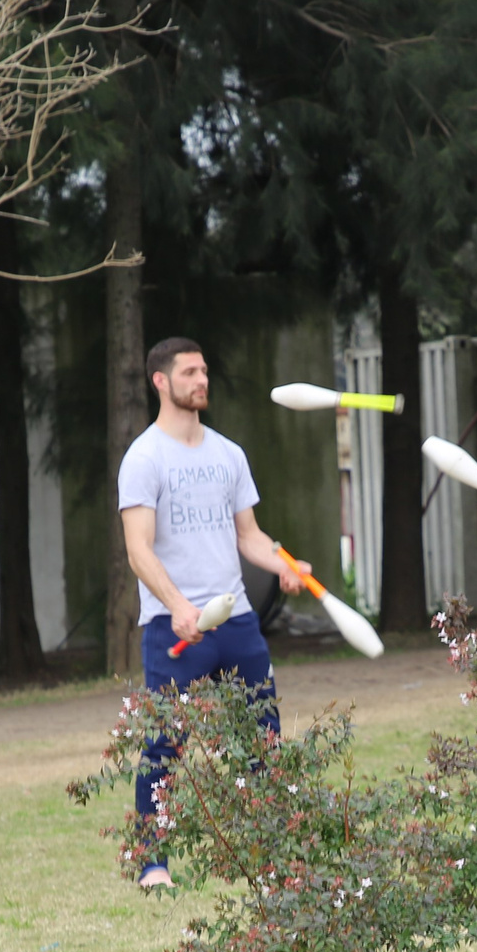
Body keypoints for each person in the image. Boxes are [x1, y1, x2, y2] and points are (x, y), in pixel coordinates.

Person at [119, 336, 312, 889]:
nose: (201, 380)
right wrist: (178, 605)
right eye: (189, 373)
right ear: (161, 381)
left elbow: (248, 536)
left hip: (237, 619)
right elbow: (139, 548)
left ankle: (275, 855)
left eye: (204, 371)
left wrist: (282, 563)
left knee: (264, 738)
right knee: (164, 742)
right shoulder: (144, 458)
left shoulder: (228, 454)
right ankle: (152, 862)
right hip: (172, 626)